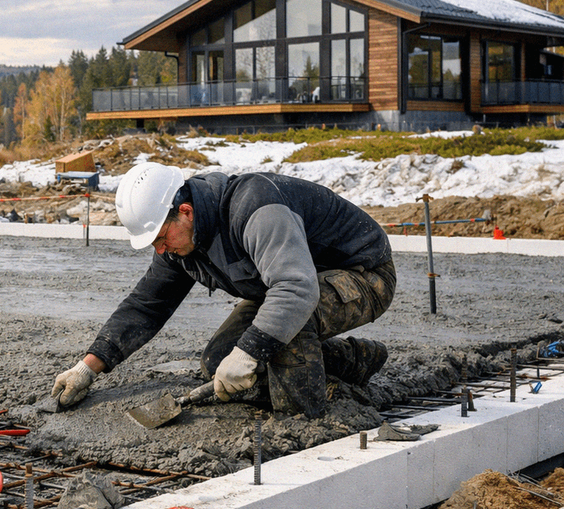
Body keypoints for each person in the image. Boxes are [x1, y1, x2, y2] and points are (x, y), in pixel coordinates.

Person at [51, 163, 395, 419]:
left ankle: (303, 420)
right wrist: (87, 367)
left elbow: (296, 290)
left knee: (282, 331)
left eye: (160, 239)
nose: (160, 250)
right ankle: (354, 361)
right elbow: (146, 305)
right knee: (218, 360)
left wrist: (249, 353)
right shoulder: (181, 242)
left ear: (184, 212)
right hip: (288, 284)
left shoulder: (254, 208)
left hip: (362, 274)